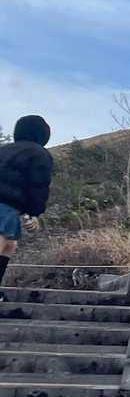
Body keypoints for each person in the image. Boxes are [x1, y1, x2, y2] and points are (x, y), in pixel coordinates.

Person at [0, 115, 53, 286]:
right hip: (5, 206)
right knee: (3, 242)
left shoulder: (4, 150)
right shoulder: (39, 153)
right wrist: (34, 213)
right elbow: (38, 185)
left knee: (10, 245)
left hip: (9, 207)